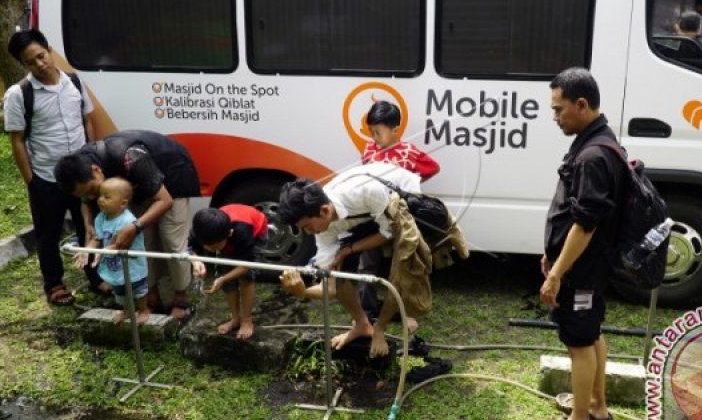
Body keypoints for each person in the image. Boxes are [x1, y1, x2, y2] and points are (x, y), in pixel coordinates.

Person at [530, 68, 624, 420]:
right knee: (592, 333)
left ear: (581, 105)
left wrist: (556, 273)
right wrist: (552, 256)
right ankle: (596, 404)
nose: (554, 118)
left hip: (582, 269)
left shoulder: (592, 155)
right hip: (589, 266)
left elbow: (585, 225)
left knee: (579, 342)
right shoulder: (599, 139)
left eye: (558, 110)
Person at [277, 162, 432, 358]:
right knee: (338, 269)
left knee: (403, 265)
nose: (309, 232)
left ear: (324, 210)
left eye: (308, 226)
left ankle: (379, 328)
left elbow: (390, 232)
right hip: (365, 215)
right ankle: (362, 325)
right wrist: (302, 292)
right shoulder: (323, 230)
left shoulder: (365, 191)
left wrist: (349, 249)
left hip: (399, 199)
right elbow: (332, 286)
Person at [3, 29, 106, 306]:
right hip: (47, 176)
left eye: (41, 55)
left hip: (82, 175)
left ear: (48, 49)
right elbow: (17, 140)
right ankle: (54, 284)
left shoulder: (73, 81)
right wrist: (31, 181)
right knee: (48, 234)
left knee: (90, 227)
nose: (40, 64)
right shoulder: (19, 94)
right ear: (23, 65)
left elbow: (87, 119)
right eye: (30, 62)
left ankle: (96, 276)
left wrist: (91, 157)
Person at [54, 129, 200, 319]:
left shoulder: (129, 155)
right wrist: (88, 224)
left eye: (92, 190)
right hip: (134, 186)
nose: (93, 197)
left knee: (171, 240)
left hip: (172, 178)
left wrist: (134, 226)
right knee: (143, 242)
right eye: (85, 194)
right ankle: (150, 293)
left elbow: (164, 200)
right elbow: (85, 199)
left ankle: (180, 297)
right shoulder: (79, 167)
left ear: (96, 170)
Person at [73, 177, 149, 324]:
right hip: (113, 263)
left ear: (123, 203)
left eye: (107, 197)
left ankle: (143, 309)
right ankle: (127, 310)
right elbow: (97, 238)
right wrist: (87, 250)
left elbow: (121, 244)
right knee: (119, 289)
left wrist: (101, 253)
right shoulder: (101, 218)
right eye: (100, 195)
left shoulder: (127, 221)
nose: (101, 200)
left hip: (131, 263)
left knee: (138, 289)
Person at [189, 204, 268, 340]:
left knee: (246, 279)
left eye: (215, 247)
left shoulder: (242, 231)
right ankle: (235, 318)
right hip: (230, 234)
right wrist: (196, 262)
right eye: (207, 246)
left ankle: (246, 320)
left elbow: (247, 265)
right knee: (227, 276)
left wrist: (223, 278)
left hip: (256, 230)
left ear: (229, 234)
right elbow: (191, 250)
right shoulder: (200, 230)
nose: (211, 250)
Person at [361, 100, 440, 180]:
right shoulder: (369, 147)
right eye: (371, 131)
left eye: (378, 133)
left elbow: (433, 168)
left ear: (395, 130)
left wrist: (411, 184)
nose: (374, 137)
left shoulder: (408, 151)